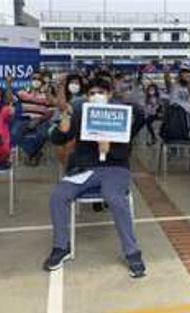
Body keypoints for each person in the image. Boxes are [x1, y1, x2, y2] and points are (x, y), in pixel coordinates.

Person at [44, 78, 146, 278]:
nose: (95, 96)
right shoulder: (81, 114)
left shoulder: (122, 115)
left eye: (100, 92)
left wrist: (125, 101)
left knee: (114, 198)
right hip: (85, 169)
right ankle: (61, 246)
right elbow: (58, 138)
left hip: (115, 168)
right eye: (91, 93)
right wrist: (61, 128)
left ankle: (132, 251)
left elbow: (141, 117)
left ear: (109, 94)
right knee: (58, 195)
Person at [13, 71, 55, 166]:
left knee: (44, 134)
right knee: (14, 133)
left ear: (42, 81)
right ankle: (33, 152)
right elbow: (9, 100)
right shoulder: (23, 91)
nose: (36, 81)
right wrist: (8, 85)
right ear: (30, 80)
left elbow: (51, 112)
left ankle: (30, 153)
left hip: (42, 119)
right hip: (25, 119)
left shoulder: (47, 94)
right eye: (34, 79)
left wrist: (39, 120)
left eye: (39, 79)